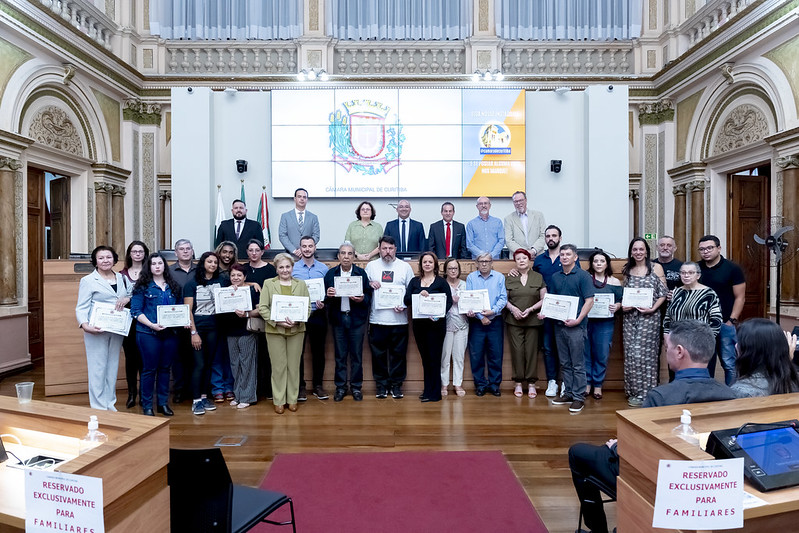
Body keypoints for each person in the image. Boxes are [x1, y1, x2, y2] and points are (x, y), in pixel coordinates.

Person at [569, 320, 736, 533]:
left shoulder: (661, 397)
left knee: (578, 453)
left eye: (667, 349)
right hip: (711, 484)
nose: (665, 353)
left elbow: (636, 452)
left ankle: (597, 530)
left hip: (659, 482)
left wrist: (616, 448)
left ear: (679, 352)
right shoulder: (729, 394)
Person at [75, 245, 131, 411]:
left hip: (116, 329)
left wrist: (127, 298)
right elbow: (81, 306)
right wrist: (85, 325)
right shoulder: (88, 280)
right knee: (97, 368)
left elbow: (130, 294)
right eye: (101, 258)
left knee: (112, 367)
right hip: (96, 329)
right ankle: (98, 407)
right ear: (95, 261)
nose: (105, 260)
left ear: (114, 259)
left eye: (108, 257)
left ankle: (110, 404)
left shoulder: (122, 278)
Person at [541, 244, 595, 413]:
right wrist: (545, 312)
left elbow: (590, 300)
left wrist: (578, 319)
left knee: (577, 363)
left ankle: (579, 397)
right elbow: (552, 299)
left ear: (575, 257)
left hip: (576, 326)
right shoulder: (556, 276)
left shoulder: (583, 276)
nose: (564, 257)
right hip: (559, 325)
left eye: (568, 254)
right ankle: (569, 393)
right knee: (565, 363)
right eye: (562, 254)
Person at [130, 252, 183, 417]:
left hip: (170, 334)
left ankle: (162, 403)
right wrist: (152, 325)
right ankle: (147, 405)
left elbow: (180, 309)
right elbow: (136, 311)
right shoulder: (142, 286)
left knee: (165, 369)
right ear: (149, 267)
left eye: (160, 263)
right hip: (147, 333)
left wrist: (182, 320)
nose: (157, 266)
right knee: (149, 370)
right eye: (154, 264)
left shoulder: (173, 285)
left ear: (164, 266)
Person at [258, 253, 311, 414]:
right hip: (275, 331)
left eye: (288, 266)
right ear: (276, 269)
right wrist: (276, 321)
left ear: (292, 267)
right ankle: (279, 400)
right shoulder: (268, 284)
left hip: (296, 330)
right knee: (279, 367)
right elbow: (263, 308)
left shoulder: (301, 284)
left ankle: (292, 399)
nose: (285, 270)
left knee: (294, 367)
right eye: (281, 267)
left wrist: (298, 320)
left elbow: (307, 307)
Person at [365, 236, 415, 399]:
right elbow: (364, 289)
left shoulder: (405, 267)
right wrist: (370, 284)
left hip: (399, 320)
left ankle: (396, 385)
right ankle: (381, 385)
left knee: (398, 354)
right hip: (377, 319)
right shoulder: (371, 266)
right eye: (384, 248)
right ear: (379, 249)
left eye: (390, 248)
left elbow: (411, 292)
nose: (387, 252)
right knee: (378, 355)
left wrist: (405, 305)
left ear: (395, 249)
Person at [532, 225, 578, 397]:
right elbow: (533, 280)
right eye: (548, 236)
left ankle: (567, 382)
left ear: (560, 237)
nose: (551, 238)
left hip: (566, 310)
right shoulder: (539, 260)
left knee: (566, 348)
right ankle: (552, 381)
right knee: (548, 347)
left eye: (554, 235)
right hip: (547, 310)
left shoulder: (568, 257)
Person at [324, 242, 373, 402]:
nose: (346, 256)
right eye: (343, 253)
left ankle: (356, 387)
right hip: (338, 319)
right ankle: (340, 387)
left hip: (356, 320)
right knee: (340, 355)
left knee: (357, 356)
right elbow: (324, 300)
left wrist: (362, 299)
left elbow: (368, 296)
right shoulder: (331, 274)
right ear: (338, 256)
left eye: (349, 254)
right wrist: (329, 296)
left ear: (354, 256)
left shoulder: (361, 273)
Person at [621, 237, 667, 407]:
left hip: (650, 318)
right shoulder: (627, 270)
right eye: (635, 249)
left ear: (647, 251)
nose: (638, 252)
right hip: (630, 318)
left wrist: (653, 308)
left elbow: (663, 293)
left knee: (646, 356)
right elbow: (624, 295)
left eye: (641, 249)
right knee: (631, 354)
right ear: (631, 252)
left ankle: (648, 392)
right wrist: (624, 306)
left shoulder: (656, 267)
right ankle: (633, 391)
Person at [698, 234, 746, 385]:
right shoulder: (695, 269)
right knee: (704, 364)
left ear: (719, 248)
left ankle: (732, 395)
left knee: (729, 363)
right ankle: (706, 394)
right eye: (702, 249)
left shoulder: (732, 268)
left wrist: (731, 320)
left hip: (725, 324)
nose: (706, 252)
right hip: (702, 325)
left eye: (709, 248)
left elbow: (740, 297)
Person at [405, 252, 452, 402]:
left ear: (435, 265)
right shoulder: (414, 282)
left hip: (436, 326)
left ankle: (435, 393)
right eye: (424, 262)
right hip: (419, 326)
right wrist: (419, 293)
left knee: (434, 358)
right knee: (425, 359)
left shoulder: (441, 282)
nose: (427, 264)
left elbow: (449, 302)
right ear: (421, 265)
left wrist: (439, 313)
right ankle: (427, 391)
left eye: (430, 262)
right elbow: (406, 300)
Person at [184, 251, 226, 415]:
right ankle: (195, 401)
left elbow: (236, 287)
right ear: (203, 263)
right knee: (199, 364)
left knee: (209, 363)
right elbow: (188, 310)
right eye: (210, 262)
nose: (213, 265)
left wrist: (252, 284)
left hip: (214, 327)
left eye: (215, 262)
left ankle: (203, 396)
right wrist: (194, 332)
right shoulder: (192, 283)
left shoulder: (220, 281)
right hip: (198, 327)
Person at [218, 263, 261, 409]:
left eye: (239, 275)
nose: (236, 278)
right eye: (233, 275)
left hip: (247, 331)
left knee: (247, 364)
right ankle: (238, 394)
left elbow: (259, 310)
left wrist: (246, 314)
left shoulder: (252, 289)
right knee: (235, 364)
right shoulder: (224, 291)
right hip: (230, 332)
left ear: (245, 277)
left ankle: (248, 397)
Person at [504, 248, 545, 399]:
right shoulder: (509, 278)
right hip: (514, 320)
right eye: (518, 258)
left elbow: (543, 298)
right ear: (515, 262)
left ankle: (532, 383)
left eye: (524, 258)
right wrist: (513, 309)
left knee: (532, 352)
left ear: (529, 260)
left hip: (533, 320)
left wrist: (531, 309)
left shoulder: (538, 277)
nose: (521, 260)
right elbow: (504, 299)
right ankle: (518, 383)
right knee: (517, 352)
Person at [292, 236, 329, 401]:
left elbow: (329, 292)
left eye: (310, 246)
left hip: (317, 314)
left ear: (315, 247)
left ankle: (318, 386)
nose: (307, 249)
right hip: (299, 315)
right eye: (304, 246)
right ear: (300, 248)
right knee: (297, 352)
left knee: (319, 352)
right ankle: (300, 386)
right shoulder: (293, 268)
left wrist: (324, 302)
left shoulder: (324, 269)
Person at [466, 253, 508, 397]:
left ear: (492, 263)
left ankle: (494, 384)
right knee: (476, 355)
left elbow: (503, 298)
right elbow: (469, 299)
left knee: (495, 354)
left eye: (487, 261)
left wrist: (493, 311)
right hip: (477, 322)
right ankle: (480, 385)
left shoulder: (499, 277)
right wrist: (481, 316)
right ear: (476, 263)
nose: (484, 264)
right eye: (481, 261)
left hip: (495, 321)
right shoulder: (471, 278)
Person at [584, 250, 622, 400]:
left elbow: (620, 300)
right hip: (586, 321)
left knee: (602, 353)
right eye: (596, 261)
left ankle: (598, 385)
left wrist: (617, 306)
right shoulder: (585, 279)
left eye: (602, 261)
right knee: (585, 353)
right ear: (592, 264)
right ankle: (587, 383)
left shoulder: (614, 282)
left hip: (605, 323)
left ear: (607, 264)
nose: (599, 264)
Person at [731, 318, 799, 398]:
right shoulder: (791, 383)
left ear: (749, 352)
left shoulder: (739, 391)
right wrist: (786, 360)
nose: (736, 345)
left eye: (740, 342)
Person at [243, 238, 277, 399]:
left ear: (262, 252)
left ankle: (267, 389)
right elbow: (234, 281)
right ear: (247, 252)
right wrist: (251, 283)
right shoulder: (243, 269)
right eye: (251, 250)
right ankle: (252, 390)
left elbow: (275, 290)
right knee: (250, 356)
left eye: (257, 250)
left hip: (266, 316)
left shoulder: (270, 270)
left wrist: (261, 309)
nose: (254, 253)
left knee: (266, 354)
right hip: (245, 316)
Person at [120, 240, 149, 408]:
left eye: (140, 251)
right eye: (134, 251)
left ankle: (145, 395)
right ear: (129, 254)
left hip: (146, 320)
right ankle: (132, 394)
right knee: (131, 359)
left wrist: (129, 298)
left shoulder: (151, 272)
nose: (137, 254)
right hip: (127, 322)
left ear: (145, 253)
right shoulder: (121, 274)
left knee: (146, 358)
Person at [168, 238, 196, 405]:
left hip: (196, 320)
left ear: (192, 251)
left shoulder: (200, 269)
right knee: (178, 359)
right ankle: (179, 391)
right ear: (176, 252)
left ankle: (195, 390)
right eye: (181, 249)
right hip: (175, 320)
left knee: (196, 357)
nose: (185, 251)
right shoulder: (168, 271)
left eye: (188, 248)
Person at [663, 262, 723, 336]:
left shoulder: (709, 294)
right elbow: (667, 317)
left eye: (691, 273)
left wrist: (708, 339)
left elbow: (716, 320)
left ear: (698, 275)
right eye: (683, 273)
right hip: (676, 338)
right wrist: (666, 335)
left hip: (699, 340)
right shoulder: (675, 292)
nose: (686, 275)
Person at [441, 258, 468, 397]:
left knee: (459, 357)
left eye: (455, 268)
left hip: (462, 325)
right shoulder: (441, 284)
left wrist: (471, 309)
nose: (453, 271)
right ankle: (444, 384)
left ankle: (458, 384)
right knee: (445, 357)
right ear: (445, 270)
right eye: (450, 268)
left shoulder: (465, 284)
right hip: (445, 325)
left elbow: (471, 301)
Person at [278, 187, 320, 259]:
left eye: (304, 197)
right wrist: (294, 250)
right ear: (295, 199)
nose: (302, 199)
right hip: (290, 255)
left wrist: (305, 249)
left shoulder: (313, 217)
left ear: (307, 200)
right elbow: (282, 235)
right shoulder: (285, 216)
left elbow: (316, 235)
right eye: (299, 196)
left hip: (308, 256)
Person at [504, 191, 546, 258]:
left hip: (538, 255)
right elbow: (508, 240)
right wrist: (523, 253)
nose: (518, 203)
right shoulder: (508, 219)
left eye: (521, 200)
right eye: (516, 201)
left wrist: (533, 250)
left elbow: (543, 236)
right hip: (518, 258)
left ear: (526, 200)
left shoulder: (538, 216)